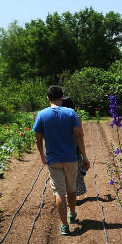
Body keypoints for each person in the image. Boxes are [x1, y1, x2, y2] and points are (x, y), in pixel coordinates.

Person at [33, 86, 89, 235]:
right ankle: (72, 214)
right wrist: (84, 156)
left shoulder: (41, 114)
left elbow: (38, 138)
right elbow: (78, 136)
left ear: (47, 98)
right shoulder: (71, 113)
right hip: (70, 157)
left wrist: (41, 154)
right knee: (71, 188)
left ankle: (64, 226)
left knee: (59, 192)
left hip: (53, 159)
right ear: (62, 97)